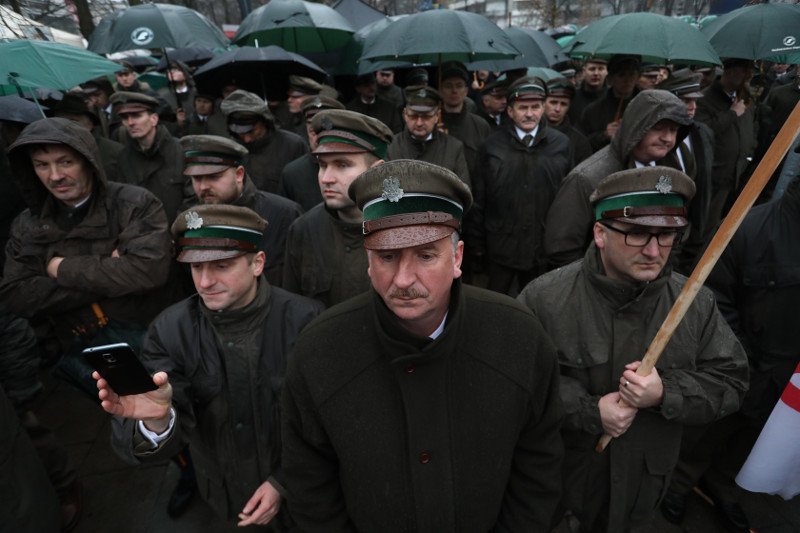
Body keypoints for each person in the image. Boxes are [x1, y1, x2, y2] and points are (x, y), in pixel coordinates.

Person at [281, 159, 564, 531]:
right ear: (368, 261)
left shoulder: (519, 339)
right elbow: (310, 486)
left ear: (458, 257)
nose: (403, 279)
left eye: (426, 255)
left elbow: (538, 470)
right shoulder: (319, 352)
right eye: (387, 257)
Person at [519, 166, 749, 533]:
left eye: (667, 235)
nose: (654, 250)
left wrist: (666, 393)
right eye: (638, 234)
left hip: (643, 492)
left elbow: (731, 382)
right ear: (600, 233)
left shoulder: (694, 303)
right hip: (563, 487)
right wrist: (588, 410)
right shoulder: (545, 298)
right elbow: (518, 385)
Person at [99, 204, 323, 527]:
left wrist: (283, 480)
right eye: (195, 267)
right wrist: (159, 421)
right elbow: (166, 418)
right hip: (224, 497)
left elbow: (325, 420)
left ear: (257, 263)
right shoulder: (169, 330)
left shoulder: (307, 321)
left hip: (304, 498)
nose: (205, 282)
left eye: (221, 265)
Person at [661, 171, 800, 531]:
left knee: (746, 445)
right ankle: (675, 485)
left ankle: (722, 485)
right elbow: (710, 298)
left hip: (789, 382)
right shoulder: (749, 230)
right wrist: (741, 359)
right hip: (745, 364)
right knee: (706, 435)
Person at [0, 117, 172, 395]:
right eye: (42, 165)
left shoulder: (134, 204)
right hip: (82, 351)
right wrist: (111, 272)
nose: (55, 176)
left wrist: (59, 268)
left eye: (65, 162)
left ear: (89, 161)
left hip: (150, 338)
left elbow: (148, 271)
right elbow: (17, 294)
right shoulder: (26, 225)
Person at [545, 89, 693, 269]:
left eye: (673, 130)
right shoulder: (586, 179)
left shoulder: (671, 172)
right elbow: (561, 250)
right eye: (658, 128)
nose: (667, 138)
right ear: (636, 127)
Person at [471, 76, 570, 294]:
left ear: (543, 108)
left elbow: (567, 200)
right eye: (522, 107)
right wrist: (477, 247)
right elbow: (479, 199)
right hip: (500, 248)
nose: (529, 113)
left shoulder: (560, 144)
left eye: (535, 107)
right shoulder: (491, 146)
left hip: (542, 250)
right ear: (510, 111)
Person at [282, 109, 391, 307]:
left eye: (342, 165)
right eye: (322, 165)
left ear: (377, 171)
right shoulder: (304, 229)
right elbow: (293, 309)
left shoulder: (402, 228)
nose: (326, 179)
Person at [182, 134, 302, 285]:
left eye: (214, 177)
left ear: (239, 174)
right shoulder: (190, 221)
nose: (203, 186)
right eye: (197, 179)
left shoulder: (284, 214)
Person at [656, 69, 715, 273]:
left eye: (695, 100)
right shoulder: (656, 140)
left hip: (692, 230)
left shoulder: (702, 134)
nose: (692, 107)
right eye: (685, 100)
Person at [111, 91, 194, 223]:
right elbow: (123, 203)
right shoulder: (124, 158)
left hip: (177, 232)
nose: (130, 122)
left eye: (136, 116)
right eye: (125, 118)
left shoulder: (180, 151)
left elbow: (194, 198)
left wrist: (178, 228)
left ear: (154, 119)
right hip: (143, 235)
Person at [695, 57, 758, 227]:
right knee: (704, 224)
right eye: (744, 69)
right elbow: (702, 131)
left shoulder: (745, 97)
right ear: (729, 70)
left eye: (751, 70)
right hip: (714, 175)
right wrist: (731, 114)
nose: (749, 75)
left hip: (738, 174)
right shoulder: (704, 98)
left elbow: (752, 128)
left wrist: (749, 151)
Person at [221, 89, 308, 194]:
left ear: (265, 122)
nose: (246, 139)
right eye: (240, 133)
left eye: (252, 131)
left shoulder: (293, 145)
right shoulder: (230, 149)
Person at [387, 85, 470, 187]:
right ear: (405, 115)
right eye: (413, 116)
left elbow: (463, 192)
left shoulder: (454, 148)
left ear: (437, 116)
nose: (419, 123)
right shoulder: (390, 147)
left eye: (426, 117)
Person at [279, 95, 345, 211]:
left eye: (324, 131)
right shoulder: (292, 173)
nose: (318, 138)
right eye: (312, 131)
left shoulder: (352, 167)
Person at [438, 61, 492, 188]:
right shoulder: (432, 125)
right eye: (448, 86)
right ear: (440, 90)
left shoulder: (481, 125)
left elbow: (488, 167)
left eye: (459, 85)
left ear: (466, 91)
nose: (454, 90)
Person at [580, 54, 641, 152]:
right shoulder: (593, 110)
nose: (627, 80)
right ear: (610, 79)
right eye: (621, 75)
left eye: (632, 74)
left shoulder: (646, 106)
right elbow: (582, 145)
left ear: (638, 77)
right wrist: (604, 135)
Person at [544, 77, 593, 168]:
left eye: (563, 104)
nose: (557, 109)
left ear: (569, 106)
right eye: (553, 102)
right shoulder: (530, 133)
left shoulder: (580, 142)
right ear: (543, 102)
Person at [569, 58, 608, 124]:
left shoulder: (612, 97)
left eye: (600, 69)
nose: (596, 73)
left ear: (607, 72)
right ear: (584, 72)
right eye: (592, 69)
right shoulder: (573, 97)